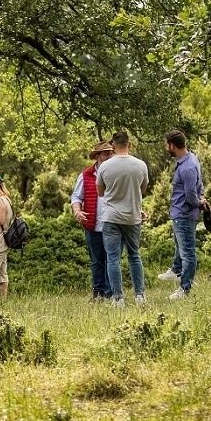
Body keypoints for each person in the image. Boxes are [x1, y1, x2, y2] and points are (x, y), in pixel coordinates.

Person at [97, 131, 149, 307]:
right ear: (130, 144)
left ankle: (118, 298)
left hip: (111, 217)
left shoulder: (104, 167)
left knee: (113, 258)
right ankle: (139, 295)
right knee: (134, 255)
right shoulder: (140, 165)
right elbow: (143, 189)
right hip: (133, 217)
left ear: (112, 146)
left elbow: (100, 192)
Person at [157, 130, 206, 300]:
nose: (166, 148)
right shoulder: (189, 159)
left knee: (188, 253)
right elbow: (199, 187)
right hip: (179, 213)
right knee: (180, 245)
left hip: (184, 214)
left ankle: (184, 289)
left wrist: (200, 202)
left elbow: (191, 194)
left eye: (167, 144)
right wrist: (202, 197)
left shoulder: (187, 167)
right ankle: (176, 270)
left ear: (172, 145)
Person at [71, 142, 113, 301]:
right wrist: (77, 211)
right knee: (96, 261)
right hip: (92, 225)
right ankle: (98, 292)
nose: (109, 156)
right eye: (105, 154)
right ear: (97, 157)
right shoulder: (86, 175)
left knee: (111, 259)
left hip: (112, 224)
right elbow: (76, 196)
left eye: (110, 153)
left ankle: (110, 294)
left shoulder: (115, 173)